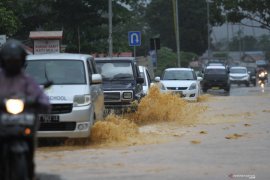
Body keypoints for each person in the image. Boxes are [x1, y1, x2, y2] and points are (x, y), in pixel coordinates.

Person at [0, 39, 51, 180]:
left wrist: (41, 103)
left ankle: (30, 170)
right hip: (2, 124)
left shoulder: (28, 80)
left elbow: (42, 98)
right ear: (3, 61)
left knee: (31, 146)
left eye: (16, 61)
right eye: (9, 61)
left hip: (24, 124)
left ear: (22, 61)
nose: (13, 64)